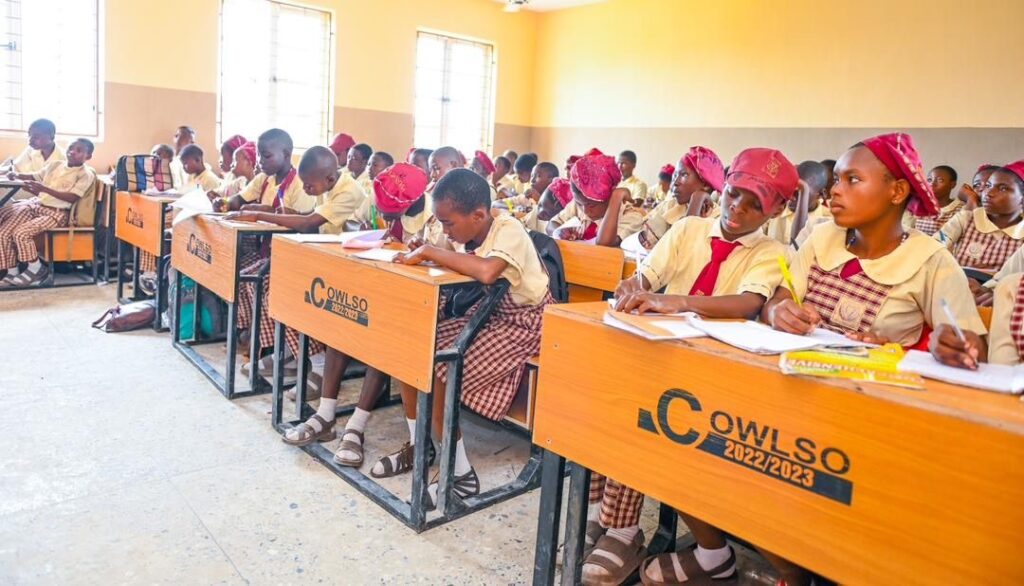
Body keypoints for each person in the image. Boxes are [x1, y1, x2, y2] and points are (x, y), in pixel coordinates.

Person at [590, 148, 797, 586]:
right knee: (607, 392)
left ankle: (624, 529)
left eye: (754, 203)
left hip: (717, 369)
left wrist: (678, 300)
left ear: (776, 208)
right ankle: (606, 514)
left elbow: (749, 302)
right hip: (665, 352)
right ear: (723, 186)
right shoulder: (687, 228)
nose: (737, 207)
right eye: (734, 194)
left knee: (650, 417)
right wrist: (637, 283)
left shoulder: (772, 250)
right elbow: (650, 273)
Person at [372, 169, 552, 508]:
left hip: (526, 325)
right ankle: (420, 445)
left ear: (479, 215)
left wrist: (428, 250)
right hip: (490, 315)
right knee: (408, 345)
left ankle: (460, 472)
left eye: (449, 224)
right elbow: (446, 253)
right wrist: (425, 248)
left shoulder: (507, 228)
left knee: (442, 365)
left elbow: (486, 271)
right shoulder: (464, 229)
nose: (445, 229)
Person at [282, 163, 433, 468]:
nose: (387, 216)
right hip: (378, 277)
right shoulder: (376, 195)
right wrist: (368, 233)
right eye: (385, 211)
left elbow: (438, 258)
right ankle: (325, 414)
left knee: (381, 335)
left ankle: (357, 424)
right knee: (344, 321)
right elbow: (354, 223)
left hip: (418, 297)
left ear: (413, 203)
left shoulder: (433, 216)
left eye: (393, 213)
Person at [0, 139, 95, 286]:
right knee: (4, 232)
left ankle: (36, 269)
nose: (72, 152)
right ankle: (12, 271)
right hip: (38, 206)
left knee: (21, 233)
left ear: (88, 157)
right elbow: (35, 176)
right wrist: (16, 175)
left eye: (79, 150)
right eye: (71, 147)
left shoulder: (85, 174)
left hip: (57, 213)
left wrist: (44, 189)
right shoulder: (56, 165)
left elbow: (72, 198)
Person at [935, 161, 1024, 281]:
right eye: (988, 186)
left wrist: (990, 286)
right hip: (958, 282)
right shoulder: (967, 217)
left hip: (1000, 292)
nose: (987, 193)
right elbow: (937, 242)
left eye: (1002, 188)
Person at [546, 149, 643, 247]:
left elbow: (604, 243)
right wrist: (561, 231)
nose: (585, 211)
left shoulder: (631, 217)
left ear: (610, 197)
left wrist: (616, 197)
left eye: (592, 205)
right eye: (580, 204)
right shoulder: (579, 203)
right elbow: (551, 224)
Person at [637, 147, 725, 250]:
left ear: (705, 185)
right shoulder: (669, 207)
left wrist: (696, 203)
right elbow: (644, 248)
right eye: (675, 175)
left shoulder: (718, 219)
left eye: (684, 175)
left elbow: (682, 253)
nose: (675, 182)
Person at [911, 165, 962, 235]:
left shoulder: (961, 210)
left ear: (952, 184)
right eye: (929, 180)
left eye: (940, 180)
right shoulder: (918, 206)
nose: (932, 184)